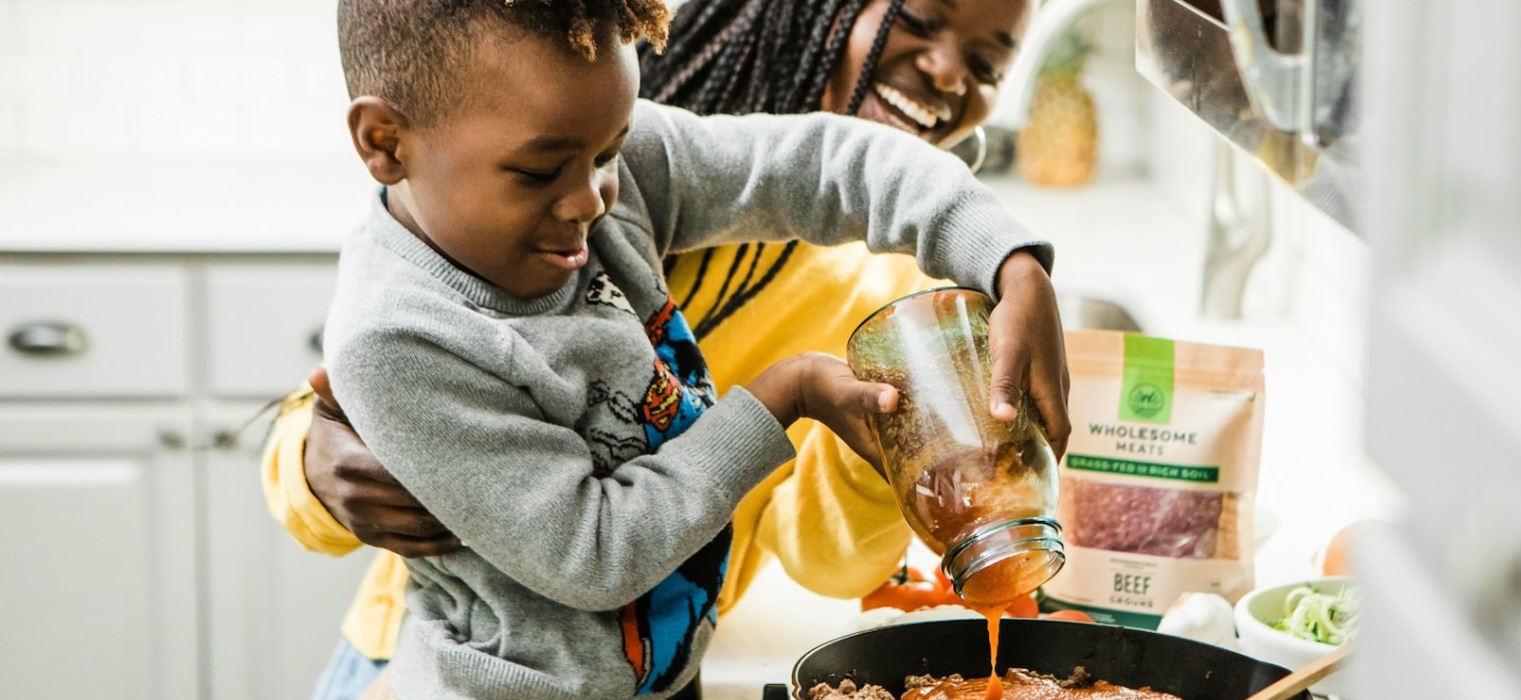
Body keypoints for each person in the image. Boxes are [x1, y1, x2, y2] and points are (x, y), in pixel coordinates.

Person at [262, 0, 1039, 697]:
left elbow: (823, 161)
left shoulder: (589, 146)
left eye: (611, 153)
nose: (593, 200)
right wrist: (787, 393)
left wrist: (1008, 257)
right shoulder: (405, 331)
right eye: (539, 173)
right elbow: (597, 554)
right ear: (383, 141)